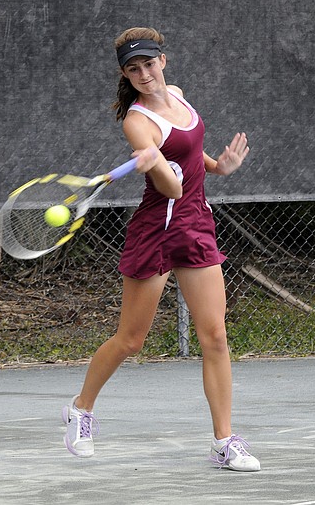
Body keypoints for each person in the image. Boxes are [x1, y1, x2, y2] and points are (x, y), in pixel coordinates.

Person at [62, 27, 259, 472]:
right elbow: (171, 187)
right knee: (131, 340)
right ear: (125, 75)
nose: (144, 74)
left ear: (162, 61)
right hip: (157, 228)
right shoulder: (136, 122)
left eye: (149, 64)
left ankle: (224, 441)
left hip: (195, 225)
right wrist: (157, 166)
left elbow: (191, 151)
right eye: (134, 69)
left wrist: (217, 167)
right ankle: (80, 408)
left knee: (215, 336)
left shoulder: (178, 95)